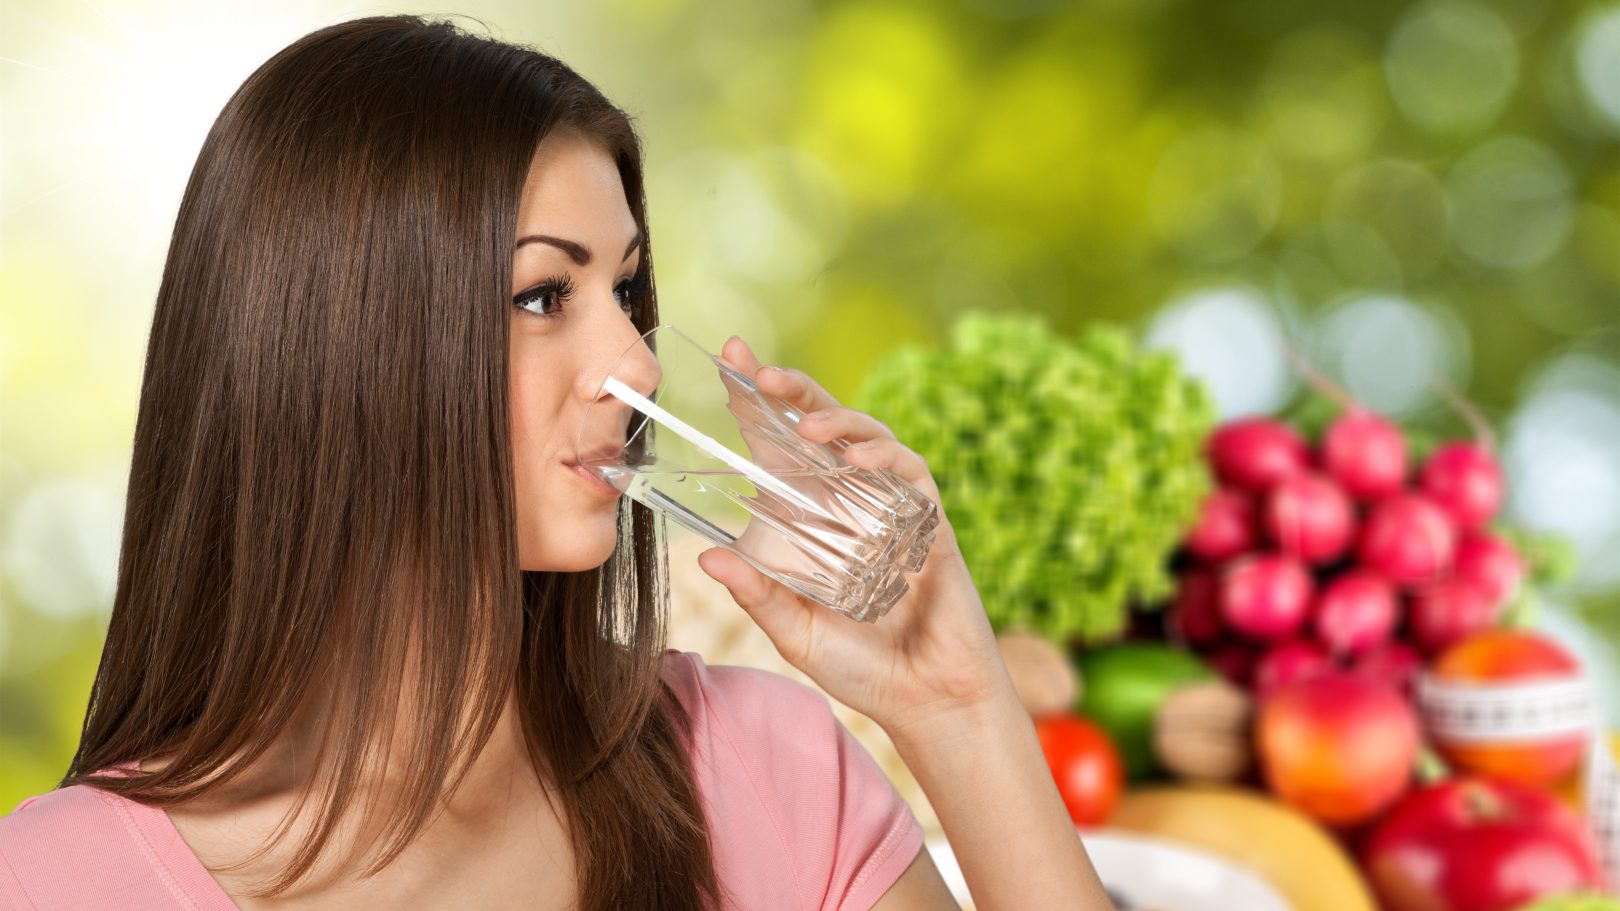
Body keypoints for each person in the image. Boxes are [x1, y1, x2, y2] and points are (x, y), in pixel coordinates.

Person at [0, 14, 1112, 910]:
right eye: (543, 294)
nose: (635, 359)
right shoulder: (59, 879)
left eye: (626, 289)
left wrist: (960, 709)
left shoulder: (762, 768)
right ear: (341, 346)